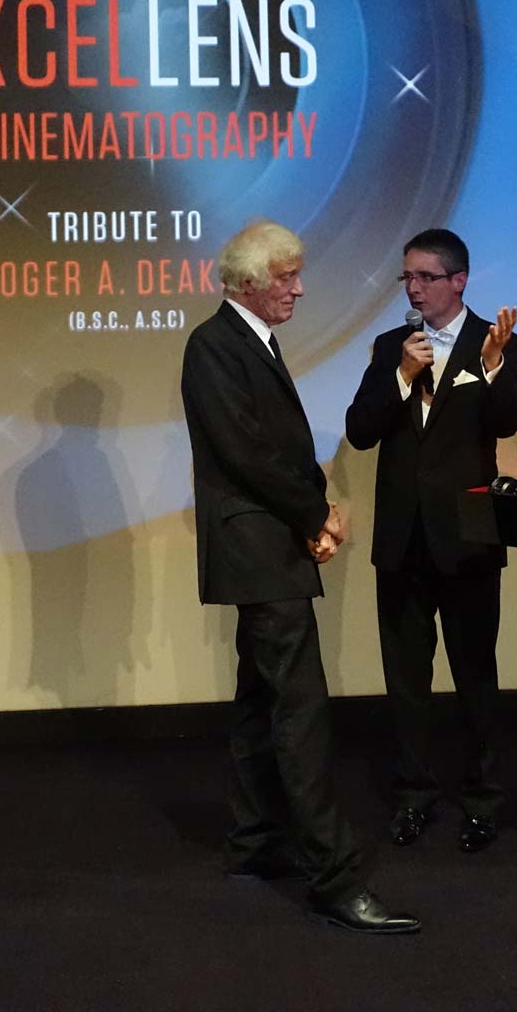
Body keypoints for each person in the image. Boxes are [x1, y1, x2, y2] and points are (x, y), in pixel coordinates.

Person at [179, 219, 420, 935]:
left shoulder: (251, 340)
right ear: (250, 282)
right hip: (257, 550)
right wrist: (317, 514)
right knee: (301, 711)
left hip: (268, 544)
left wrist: (316, 513)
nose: (299, 289)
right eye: (286, 277)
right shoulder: (214, 344)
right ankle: (334, 879)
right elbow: (246, 454)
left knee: (261, 700)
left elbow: (273, 447)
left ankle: (254, 842)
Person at [344, 229, 517, 854]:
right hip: (401, 539)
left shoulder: (496, 341)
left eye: (425, 277)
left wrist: (494, 366)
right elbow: (360, 431)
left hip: (467, 536)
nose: (413, 288)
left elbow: (504, 422)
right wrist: (401, 374)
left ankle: (482, 799)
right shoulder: (391, 346)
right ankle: (414, 796)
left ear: (458, 280)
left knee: (475, 674)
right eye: (407, 278)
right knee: (406, 679)